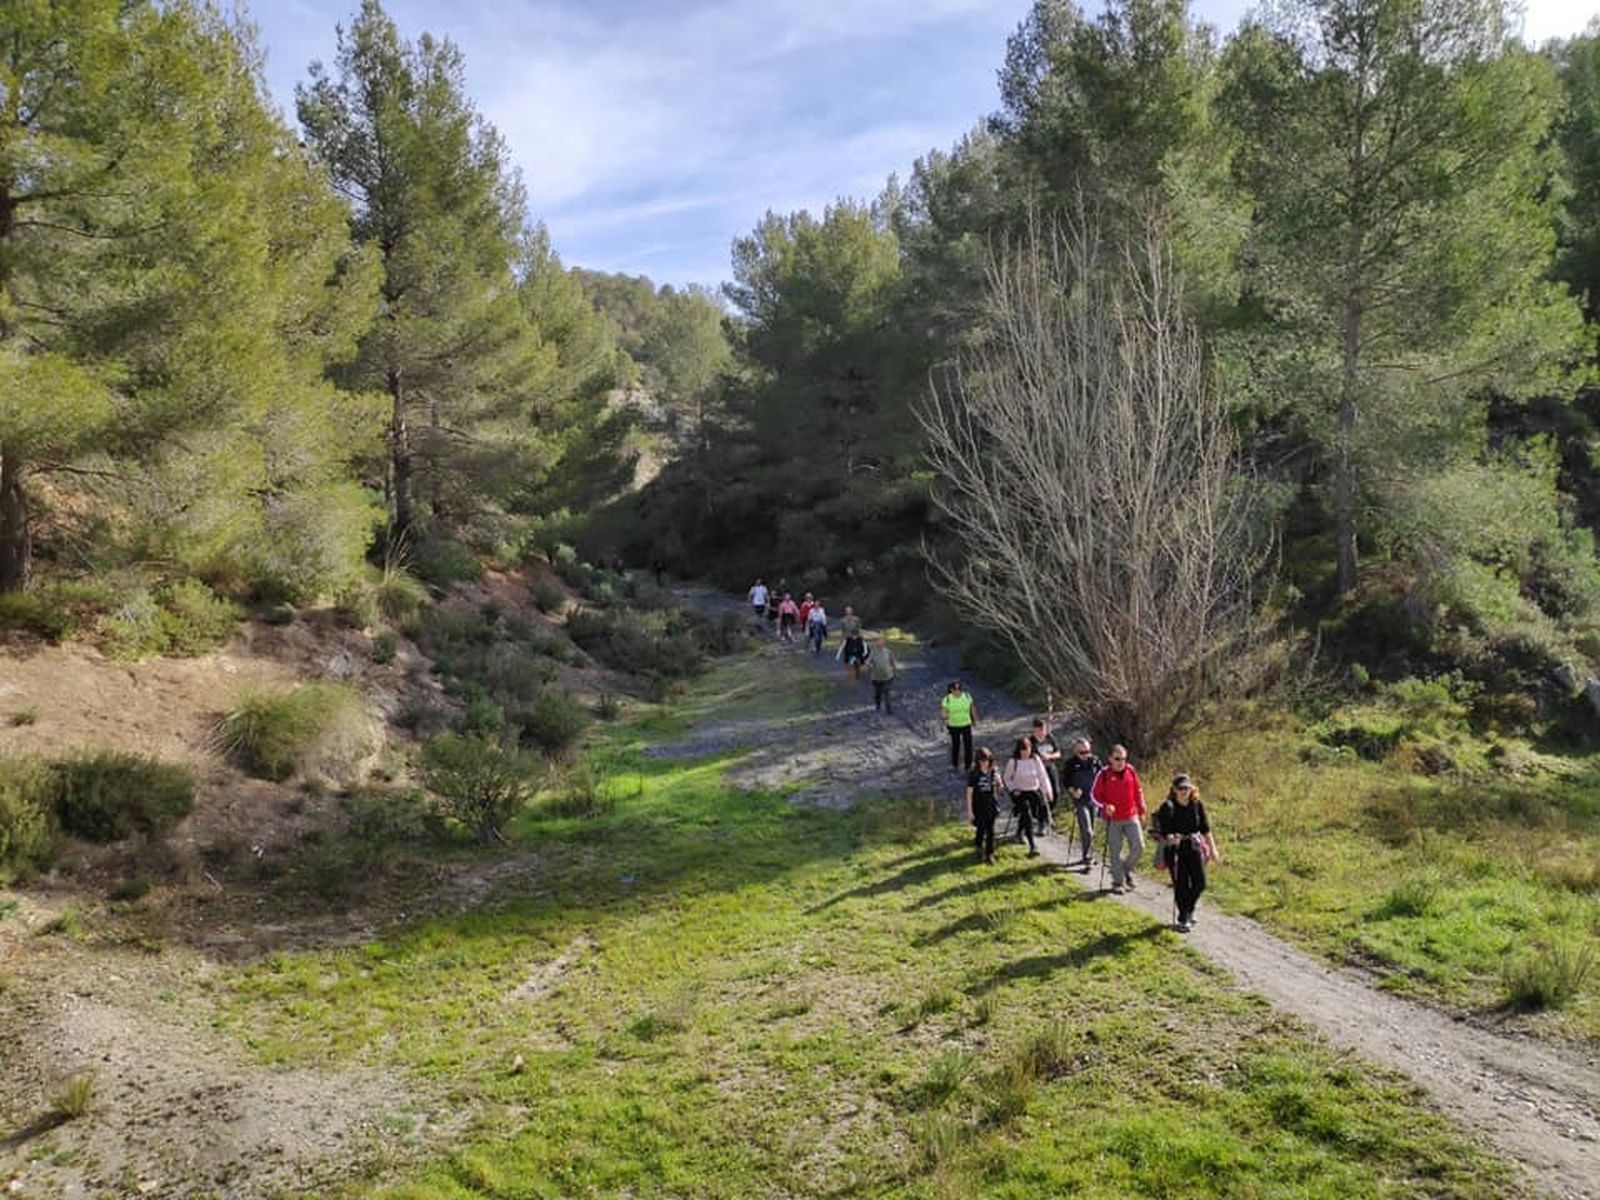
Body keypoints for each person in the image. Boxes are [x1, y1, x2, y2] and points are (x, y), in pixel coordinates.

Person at [1152, 773, 1219, 932]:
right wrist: (1171, 838)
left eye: (1187, 788)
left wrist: (1213, 849)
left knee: (1200, 883)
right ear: (1174, 790)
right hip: (1175, 850)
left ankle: (1189, 909)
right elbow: (1165, 830)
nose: (1184, 791)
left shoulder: (1196, 804)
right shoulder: (1167, 806)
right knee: (1181, 885)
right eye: (1181, 788)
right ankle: (1183, 918)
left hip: (1194, 846)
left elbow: (1205, 828)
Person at [1091, 744, 1145, 894]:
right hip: (1112, 818)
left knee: (1139, 846)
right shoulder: (1103, 774)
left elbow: (1137, 791)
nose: (1121, 762)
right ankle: (1117, 882)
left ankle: (1125, 870)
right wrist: (1105, 806)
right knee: (1115, 851)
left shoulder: (1131, 771)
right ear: (1110, 759)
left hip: (1131, 815)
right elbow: (1094, 796)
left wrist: (1141, 809)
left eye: (1124, 759)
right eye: (1117, 759)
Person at [1002, 736, 1051, 858]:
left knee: (1035, 812)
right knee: (1026, 814)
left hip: (1034, 791)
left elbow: (1042, 776)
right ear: (1018, 750)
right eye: (1022, 750)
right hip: (1019, 793)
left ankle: (1018, 832)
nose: (1025, 752)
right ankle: (1033, 846)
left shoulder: (1035, 760)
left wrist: (1047, 791)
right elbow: (1007, 778)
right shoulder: (1013, 762)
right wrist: (1013, 789)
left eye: (1027, 749)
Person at [1060, 737, 1104, 868]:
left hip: (1093, 800)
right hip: (1080, 801)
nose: (1085, 755)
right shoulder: (1071, 764)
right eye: (1081, 752)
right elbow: (1065, 781)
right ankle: (1088, 858)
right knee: (1087, 830)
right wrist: (1072, 790)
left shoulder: (1095, 761)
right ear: (1076, 751)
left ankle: (1087, 854)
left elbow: (1102, 777)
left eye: (1087, 751)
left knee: (1090, 830)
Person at [966, 747, 1003, 864]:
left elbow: (1001, 789)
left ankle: (989, 854)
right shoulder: (974, 774)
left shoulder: (994, 771)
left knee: (991, 830)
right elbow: (969, 793)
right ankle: (978, 846)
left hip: (991, 804)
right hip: (979, 805)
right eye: (982, 761)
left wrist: (999, 783)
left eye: (986, 760)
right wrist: (970, 811)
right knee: (981, 828)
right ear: (977, 761)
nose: (984, 763)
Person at [1030, 717, 1062, 836]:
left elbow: (1058, 753)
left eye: (1043, 729)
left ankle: (1048, 814)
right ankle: (1041, 821)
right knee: (1042, 796)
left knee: (1056, 792)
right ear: (1035, 730)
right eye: (1039, 729)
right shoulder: (1031, 741)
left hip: (1050, 767)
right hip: (1037, 771)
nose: (1042, 732)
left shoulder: (1050, 738)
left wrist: (1050, 756)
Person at [940, 681, 978, 774]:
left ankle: (968, 766)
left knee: (968, 745)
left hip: (966, 724)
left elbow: (972, 708)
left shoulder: (967, 696)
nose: (957, 691)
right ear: (951, 690)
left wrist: (975, 720)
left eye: (959, 689)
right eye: (955, 689)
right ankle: (955, 765)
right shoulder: (947, 699)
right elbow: (943, 712)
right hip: (953, 726)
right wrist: (944, 717)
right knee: (956, 745)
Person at [866, 635, 897, 713]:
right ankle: (878, 705)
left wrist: (894, 671)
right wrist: (870, 665)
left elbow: (893, 661)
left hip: (887, 676)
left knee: (887, 692)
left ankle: (888, 708)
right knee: (878, 693)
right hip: (876, 677)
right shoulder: (873, 653)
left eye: (881, 642)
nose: (879, 644)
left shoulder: (888, 651)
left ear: (883, 643)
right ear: (876, 644)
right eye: (877, 643)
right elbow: (867, 662)